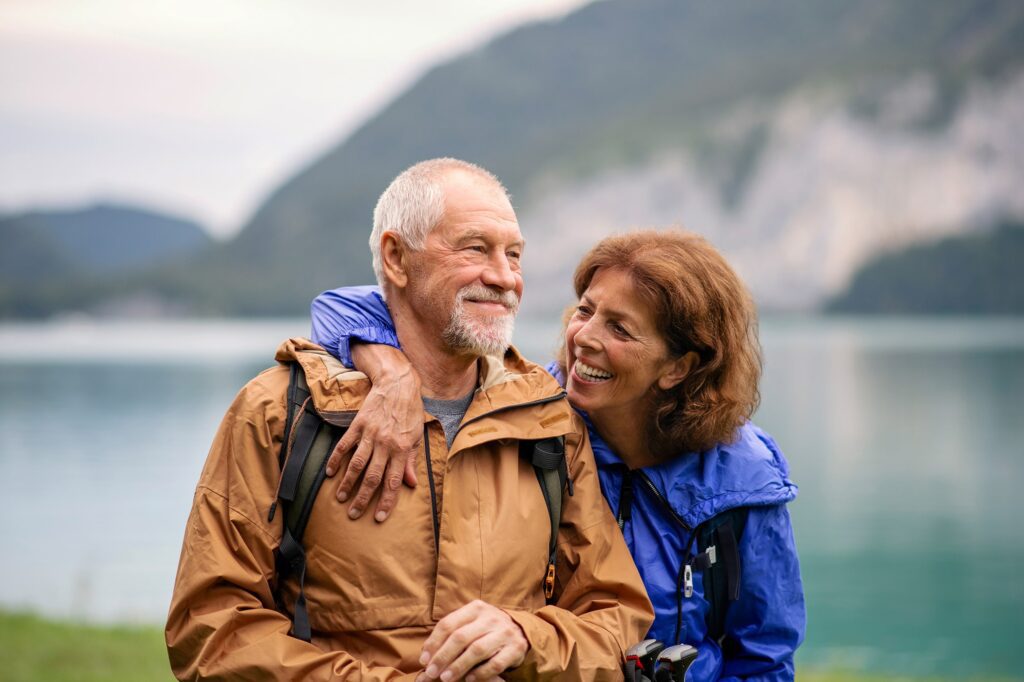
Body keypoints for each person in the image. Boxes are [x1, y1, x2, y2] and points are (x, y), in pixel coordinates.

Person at [166, 158, 653, 680]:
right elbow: (212, 631)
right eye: (475, 248)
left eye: (514, 255)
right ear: (396, 258)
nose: (505, 277)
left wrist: (526, 637)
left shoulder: (549, 418)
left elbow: (616, 617)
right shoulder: (278, 412)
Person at [310, 230, 806, 680]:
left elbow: (764, 656)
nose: (584, 337)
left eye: (620, 329)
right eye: (585, 310)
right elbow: (337, 307)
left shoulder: (743, 480)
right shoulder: (532, 414)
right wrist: (391, 371)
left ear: (679, 367)